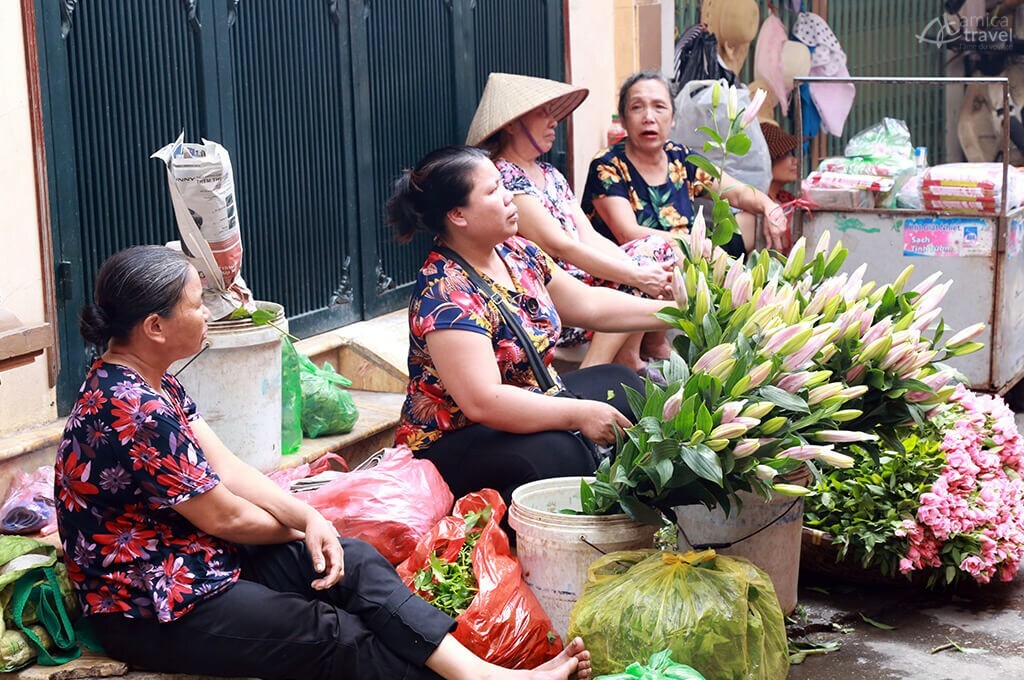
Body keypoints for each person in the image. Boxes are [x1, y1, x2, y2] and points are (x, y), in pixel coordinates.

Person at [55, 245, 592, 680]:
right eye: (197, 305)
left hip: (201, 562)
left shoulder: (153, 380)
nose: (207, 315)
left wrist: (311, 521)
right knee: (329, 631)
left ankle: (477, 674)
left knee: (350, 561)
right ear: (154, 326)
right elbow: (228, 517)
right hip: (155, 606)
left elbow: (231, 467)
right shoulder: (131, 407)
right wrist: (303, 527)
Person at [387, 146, 672, 505]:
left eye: (503, 185)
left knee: (626, 385)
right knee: (561, 455)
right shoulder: (444, 293)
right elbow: (484, 402)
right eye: (493, 192)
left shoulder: (516, 252)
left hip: (528, 400)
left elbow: (588, 304)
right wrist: (578, 413)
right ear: (458, 214)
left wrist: (674, 312)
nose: (510, 197)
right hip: (456, 441)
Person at [466, 72, 674, 375]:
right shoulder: (504, 177)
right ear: (511, 123)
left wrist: (640, 269)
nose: (554, 122)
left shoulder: (550, 173)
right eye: (543, 113)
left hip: (586, 282)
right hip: (551, 295)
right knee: (638, 268)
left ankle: (627, 358)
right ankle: (595, 370)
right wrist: (636, 275)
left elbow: (587, 236)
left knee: (654, 249)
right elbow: (559, 245)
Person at [581, 70, 790, 256]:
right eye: (637, 107)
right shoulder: (607, 165)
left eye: (659, 107)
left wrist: (770, 207)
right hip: (633, 270)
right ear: (624, 120)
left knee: (752, 221)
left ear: (673, 119)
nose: (649, 117)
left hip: (690, 258)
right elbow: (628, 234)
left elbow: (736, 192)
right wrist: (696, 245)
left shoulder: (679, 158)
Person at [760, 120, 800, 204]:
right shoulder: (755, 204)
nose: (795, 161)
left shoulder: (788, 200)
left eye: (791, 153)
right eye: (785, 154)